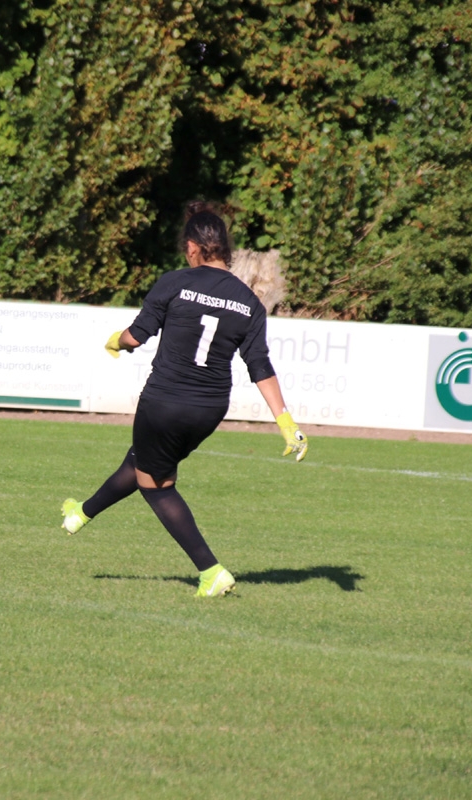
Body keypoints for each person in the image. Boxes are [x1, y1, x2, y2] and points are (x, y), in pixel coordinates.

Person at [60, 202, 307, 598]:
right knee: (143, 461)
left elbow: (137, 335)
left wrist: (116, 342)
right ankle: (81, 513)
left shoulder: (175, 282)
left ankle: (211, 571)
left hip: (164, 400)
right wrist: (286, 423)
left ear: (193, 248)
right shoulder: (249, 303)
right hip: (208, 409)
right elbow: (259, 364)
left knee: (156, 484)